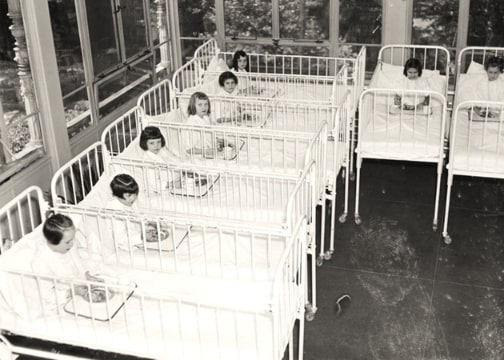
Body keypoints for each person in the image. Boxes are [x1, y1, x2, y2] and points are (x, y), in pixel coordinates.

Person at [32, 214, 106, 307]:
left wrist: (86, 276)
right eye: (68, 242)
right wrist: (72, 292)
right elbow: (47, 297)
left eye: (73, 239)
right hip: (61, 300)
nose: (72, 244)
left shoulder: (68, 246)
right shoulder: (42, 261)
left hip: (79, 289)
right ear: (53, 242)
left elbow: (77, 264)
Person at [184, 92, 221, 157]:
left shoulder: (205, 118)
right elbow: (188, 149)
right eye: (200, 105)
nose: (204, 107)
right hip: (198, 156)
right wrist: (206, 151)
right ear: (193, 106)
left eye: (206, 104)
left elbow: (208, 136)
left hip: (210, 151)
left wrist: (217, 140)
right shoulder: (192, 123)